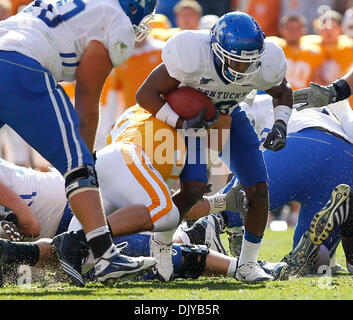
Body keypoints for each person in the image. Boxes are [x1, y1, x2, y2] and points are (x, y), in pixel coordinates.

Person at [0, 0, 159, 284]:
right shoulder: (114, 20)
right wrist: (82, 164)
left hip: (8, 51)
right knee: (79, 161)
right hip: (20, 64)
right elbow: (86, 104)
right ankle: (105, 255)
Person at [135, 11, 293, 282]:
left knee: (259, 190)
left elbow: (282, 91)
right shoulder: (192, 56)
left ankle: (247, 265)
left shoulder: (265, 62)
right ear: (216, 50)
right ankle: (161, 244)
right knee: (193, 190)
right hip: (194, 121)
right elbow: (145, 94)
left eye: (250, 62)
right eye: (236, 61)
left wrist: (281, 124)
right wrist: (181, 122)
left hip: (231, 113)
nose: (243, 69)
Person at [185, 93, 353, 274]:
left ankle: (196, 233)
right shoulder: (323, 107)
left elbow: (243, 161)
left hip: (299, 143)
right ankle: (337, 234)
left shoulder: (253, 104)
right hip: (345, 160)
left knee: (236, 204)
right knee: (318, 257)